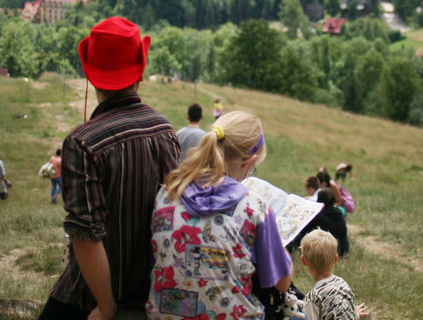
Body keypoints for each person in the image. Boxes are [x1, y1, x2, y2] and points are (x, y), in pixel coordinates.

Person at [39, 16, 180, 320]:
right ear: (139, 73)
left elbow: (86, 236)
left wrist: (105, 307)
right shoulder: (166, 130)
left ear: (91, 76)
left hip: (92, 296)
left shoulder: (81, 142)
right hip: (153, 290)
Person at [148, 110, 292, 319]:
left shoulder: (167, 193)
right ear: (247, 161)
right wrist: (283, 254)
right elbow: (282, 282)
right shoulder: (255, 207)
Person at [299, 229, 368, 320]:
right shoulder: (343, 285)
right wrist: (355, 313)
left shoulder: (314, 297)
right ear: (335, 259)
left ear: (303, 260)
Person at [292, 188, 349, 257]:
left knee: (306, 233)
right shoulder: (339, 212)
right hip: (343, 249)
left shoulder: (320, 215)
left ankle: (292, 249)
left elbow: (303, 230)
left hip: (330, 252)